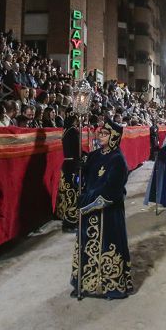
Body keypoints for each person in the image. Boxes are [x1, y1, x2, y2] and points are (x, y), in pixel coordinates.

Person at [70, 119, 134, 299]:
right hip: (88, 211)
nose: (101, 136)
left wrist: (86, 202)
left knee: (107, 246)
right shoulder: (95, 155)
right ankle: (85, 284)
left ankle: (110, 286)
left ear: (114, 137)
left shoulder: (118, 160)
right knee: (86, 247)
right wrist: (79, 171)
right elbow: (83, 179)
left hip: (107, 213)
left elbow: (111, 192)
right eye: (100, 133)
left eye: (105, 134)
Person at [56, 114, 83, 232]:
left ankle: (68, 222)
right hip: (72, 166)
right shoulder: (74, 132)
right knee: (72, 194)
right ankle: (70, 223)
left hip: (66, 165)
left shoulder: (66, 131)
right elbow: (78, 150)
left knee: (68, 195)